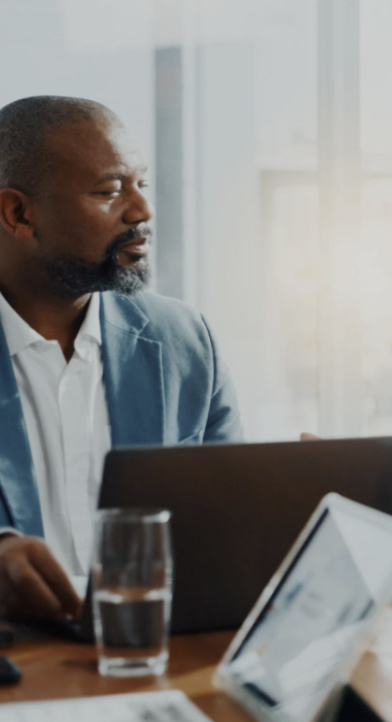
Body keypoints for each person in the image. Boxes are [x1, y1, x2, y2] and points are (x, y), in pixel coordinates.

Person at [0, 96, 243, 621]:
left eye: (142, 184)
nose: (142, 211)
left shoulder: (185, 340)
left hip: (157, 658)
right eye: (111, 191)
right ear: (18, 213)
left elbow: (227, 527)